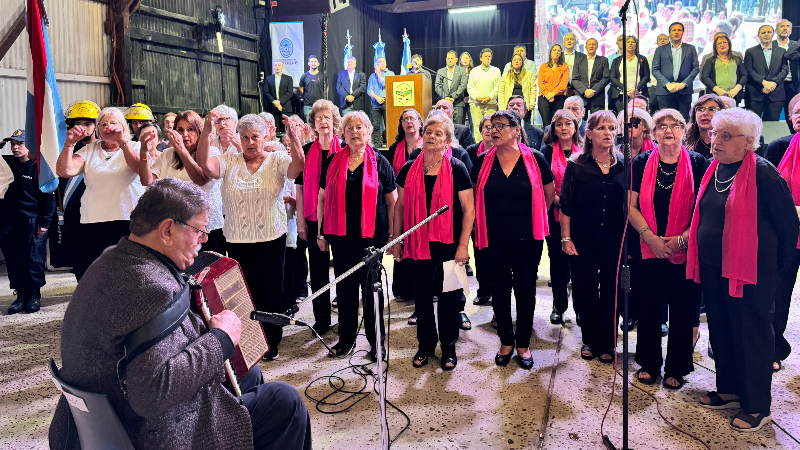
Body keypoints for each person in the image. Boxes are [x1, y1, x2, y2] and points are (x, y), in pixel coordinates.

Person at [47, 178, 312, 450]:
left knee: (247, 373)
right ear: (167, 230)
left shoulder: (110, 260)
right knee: (285, 400)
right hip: (144, 432)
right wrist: (220, 338)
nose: (205, 239)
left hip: (100, 419)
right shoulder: (152, 287)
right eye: (199, 230)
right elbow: (152, 393)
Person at [690, 108, 798, 432]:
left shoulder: (763, 173)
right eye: (714, 134)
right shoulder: (715, 168)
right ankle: (729, 389)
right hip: (715, 267)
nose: (715, 141)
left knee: (751, 333)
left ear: (749, 142)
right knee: (721, 328)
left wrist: (771, 270)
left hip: (750, 271)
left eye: (725, 136)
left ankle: (755, 405)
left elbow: (789, 227)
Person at [197, 113, 305, 360]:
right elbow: (207, 166)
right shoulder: (229, 161)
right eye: (244, 137)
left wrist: (295, 139)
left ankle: (271, 342)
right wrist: (206, 132)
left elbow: (297, 169)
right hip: (236, 239)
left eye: (255, 136)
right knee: (242, 294)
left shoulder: (277, 158)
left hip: (270, 238)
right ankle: (245, 340)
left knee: (270, 292)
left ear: (264, 135)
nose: (250, 142)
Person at [628, 109, 707, 389]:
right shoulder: (640, 162)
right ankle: (649, 363)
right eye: (662, 126)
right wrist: (650, 237)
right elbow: (630, 206)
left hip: (685, 249)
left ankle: (677, 366)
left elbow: (703, 210)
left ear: (684, 130)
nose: (668, 130)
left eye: (675, 125)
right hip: (648, 248)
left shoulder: (699, 163)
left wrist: (681, 240)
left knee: (684, 310)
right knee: (648, 307)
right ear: (654, 133)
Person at [471, 110, 555, 370]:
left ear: (516, 130)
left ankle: (523, 343)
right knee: (499, 289)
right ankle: (505, 340)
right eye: (490, 126)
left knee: (526, 289)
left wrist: (535, 220)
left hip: (527, 238)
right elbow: (474, 196)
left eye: (500, 125)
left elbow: (549, 196)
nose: (493, 130)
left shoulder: (536, 159)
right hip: (493, 237)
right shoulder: (482, 161)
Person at [391, 113, 475, 370]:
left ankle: (448, 347)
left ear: (448, 141)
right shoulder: (408, 168)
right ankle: (425, 345)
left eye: (439, 134)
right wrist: (396, 239)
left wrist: (463, 245)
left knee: (449, 297)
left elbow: (469, 209)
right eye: (428, 132)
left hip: (449, 245)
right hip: (418, 244)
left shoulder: (458, 169)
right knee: (423, 298)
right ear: (421, 135)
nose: (431, 137)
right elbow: (399, 207)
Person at [317, 111, 397, 360]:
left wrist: (394, 235)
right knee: (345, 291)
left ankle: (377, 343)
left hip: (372, 239)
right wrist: (320, 233)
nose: (354, 132)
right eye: (349, 128)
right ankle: (346, 339)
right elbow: (321, 198)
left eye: (359, 127)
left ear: (369, 131)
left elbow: (392, 201)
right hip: (340, 239)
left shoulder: (380, 162)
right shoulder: (333, 161)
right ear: (342, 133)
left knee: (372, 293)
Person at [560, 111, 625, 364]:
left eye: (611, 128)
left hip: (614, 240)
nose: (608, 133)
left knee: (612, 290)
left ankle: (608, 342)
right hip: (583, 238)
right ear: (589, 133)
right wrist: (566, 238)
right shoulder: (577, 165)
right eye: (601, 128)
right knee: (585, 289)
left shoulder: (624, 165)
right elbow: (566, 205)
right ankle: (589, 339)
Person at [56, 107, 145, 274]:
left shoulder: (135, 146)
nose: (107, 127)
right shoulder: (89, 150)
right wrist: (69, 144)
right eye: (103, 124)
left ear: (123, 127)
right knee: (102, 270)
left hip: (129, 218)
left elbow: (138, 168)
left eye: (113, 123)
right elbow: (64, 171)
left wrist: (122, 142)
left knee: (129, 269)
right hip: (95, 220)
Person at [138, 110, 226, 254]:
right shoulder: (168, 154)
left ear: (199, 131)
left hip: (206, 228)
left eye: (190, 129)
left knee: (206, 272)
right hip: (177, 226)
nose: (185, 134)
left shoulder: (212, 153)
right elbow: (147, 181)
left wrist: (180, 149)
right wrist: (143, 151)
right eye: (180, 130)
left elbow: (201, 181)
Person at [296, 100, 343, 334]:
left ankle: (346, 317)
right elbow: (300, 188)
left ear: (334, 122)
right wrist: (301, 221)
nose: (323, 121)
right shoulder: (306, 151)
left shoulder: (345, 149)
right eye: (318, 118)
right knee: (318, 271)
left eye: (327, 117)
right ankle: (322, 319)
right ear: (313, 123)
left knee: (344, 269)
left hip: (340, 220)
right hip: (314, 219)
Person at [1, 130, 55, 314]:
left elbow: (49, 199)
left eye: (20, 144)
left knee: (33, 259)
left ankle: (33, 294)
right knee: (14, 259)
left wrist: (45, 222)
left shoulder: (39, 168)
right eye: (13, 144)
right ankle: (21, 294)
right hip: (9, 222)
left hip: (31, 221)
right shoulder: (8, 166)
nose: (15, 148)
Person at [765, 93, 800, 372]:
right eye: (796, 112)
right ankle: (773, 347)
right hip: (786, 236)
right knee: (779, 292)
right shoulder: (778, 147)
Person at [540, 110, 582, 325]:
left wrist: (573, 206)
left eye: (568, 124)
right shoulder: (546, 151)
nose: (564, 128)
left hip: (580, 217)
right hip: (554, 213)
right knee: (557, 263)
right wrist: (560, 201)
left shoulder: (585, 150)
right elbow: (543, 183)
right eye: (559, 124)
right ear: (553, 128)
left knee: (579, 265)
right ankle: (559, 305)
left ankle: (581, 308)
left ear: (576, 127)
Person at [387, 108, 423, 311]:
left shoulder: (427, 145)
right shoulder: (394, 148)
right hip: (400, 200)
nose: (408, 122)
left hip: (422, 203)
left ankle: (423, 290)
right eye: (405, 119)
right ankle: (404, 289)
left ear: (420, 123)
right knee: (401, 240)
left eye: (412, 118)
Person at [60, 100, 100, 281]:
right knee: (79, 261)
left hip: (98, 216)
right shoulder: (65, 150)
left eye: (87, 123)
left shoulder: (104, 149)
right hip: (73, 217)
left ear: (96, 126)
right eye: (78, 124)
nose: (82, 128)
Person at [465, 114, 494, 307]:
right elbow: (469, 183)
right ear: (481, 130)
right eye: (486, 127)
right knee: (481, 253)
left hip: (498, 212)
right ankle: (484, 290)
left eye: (494, 127)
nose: (490, 131)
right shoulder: (472, 151)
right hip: (478, 211)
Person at [652, 22, 700, 120]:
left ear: (683, 33)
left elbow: (695, 68)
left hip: (684, 91)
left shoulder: (690, 48)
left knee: (683, 120)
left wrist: (683, 84)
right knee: (665, 120)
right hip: (665, 91)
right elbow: (655, 69)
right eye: (674, 30)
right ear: (669, 33)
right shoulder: (660, 50)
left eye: (679, 30)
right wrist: (667, 84)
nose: (676, 32)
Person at [744, 25, 789, 121]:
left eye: (769, 32)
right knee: (752, 125)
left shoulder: (782, 51)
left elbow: (785, 70)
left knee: (773, 126)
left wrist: (773, 84)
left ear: (773, 34)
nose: (766, 35)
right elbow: (749, 70)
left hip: (776, 95)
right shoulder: (750, 51)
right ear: (758, 35)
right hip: (755, 95)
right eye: (763, 33)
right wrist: (764, 83)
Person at [467, 48, 502, 143]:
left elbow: (498, 87)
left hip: (491, 104)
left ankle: (490, 148)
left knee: (490, 127)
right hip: (476, 104)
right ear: (481, 58)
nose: (488, 58)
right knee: (478, 127)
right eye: (485, 56)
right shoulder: (474, 71)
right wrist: (477, 97)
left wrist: (489, 97)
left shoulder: (496, 71)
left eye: (489, 56)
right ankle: (479, 148)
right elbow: (469, 87)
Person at [700, 34, 746, 106]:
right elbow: (704, 77)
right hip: (716, 96)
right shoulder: (710, 60)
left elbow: (744, 75)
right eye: (719, 43)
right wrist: (718, 90)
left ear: (729, 44)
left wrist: (736, 90)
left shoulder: (737, 59)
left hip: (733, 95)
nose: (722, 45)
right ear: (715, 46)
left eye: (725, 42)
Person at [610, 36, 650, 112]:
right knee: (622, 117)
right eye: (628, 42)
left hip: (638, 93)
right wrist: (625, 89)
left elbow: (646, 76)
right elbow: (612, 77)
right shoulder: (617, 60)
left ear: (636, 44)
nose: (630, 44)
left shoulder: (642, 59)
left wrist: (636, 89)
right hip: (621, 94)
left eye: (633, 42)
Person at [572, 38, 610, 114]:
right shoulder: (578, 61)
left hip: (597, 97)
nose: (591, 46)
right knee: (580, 123)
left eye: (594, 44)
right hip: (582, 97)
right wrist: (585, 90)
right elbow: (575, 79)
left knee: (597, 123)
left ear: (597, 46)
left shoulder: (604, 60)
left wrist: (593, 90)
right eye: (589, 44)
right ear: (586, 47)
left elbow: (606, 78)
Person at [685, 94, 727, 158]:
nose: (705, 113)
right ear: (694, 114)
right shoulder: (684, 140)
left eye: (712, 109)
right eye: (700, 109)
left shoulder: (729, 140)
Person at [538, 45, 570, 126]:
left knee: (557, 123)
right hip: (544, 98)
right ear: (550, 52)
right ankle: (546, 139)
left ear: (561, 53)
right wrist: (548, 94)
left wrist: (553, 93)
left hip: (559, 98)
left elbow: (563, 84)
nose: (556, 52)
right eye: (554, 50)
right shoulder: (543, 67)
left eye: (559, 51)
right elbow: (540, 83)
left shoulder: (564, 66)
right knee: (546, 124)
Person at [776, 20, 799, 130]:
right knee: (772, 117)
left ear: (791, 31)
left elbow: (790, 55)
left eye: (787, 26)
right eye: (782, 26)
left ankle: (794, 141)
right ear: (776, 30)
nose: (785, 28)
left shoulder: (796, 45)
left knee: (792, 116)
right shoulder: (771, 45)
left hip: (793, 85)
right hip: (776, 85)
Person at [368, 56, 396, 148]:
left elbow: (384, 83)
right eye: (379, 62)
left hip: (387, 102)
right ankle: (376, 146)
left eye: (383, 62)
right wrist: (377, 97)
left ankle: (390, 144)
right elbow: (369, 90)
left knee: (389, 124)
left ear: (386, 63)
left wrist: (378, 73)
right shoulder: (372, 76)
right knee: (376, 125)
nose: (382, 63)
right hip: (375, 103)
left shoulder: (390, 73)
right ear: (377, 64)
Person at [436, 50, 469, 125]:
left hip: (458, 103)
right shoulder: (440, 71)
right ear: (446, 59)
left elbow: (463, 85)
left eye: (452, 58)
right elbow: (437, 86)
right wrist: (446, 98)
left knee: (459, 128)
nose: (450, 60)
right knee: (444, 126)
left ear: (456, 60)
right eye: (448, 58)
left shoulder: (462, 70)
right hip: (444, 105)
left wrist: (453, 97)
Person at [265, 61, 295, 133]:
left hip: (285, 108)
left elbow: (290, 93)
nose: (277, 67)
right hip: (273, 109)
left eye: (279, 65)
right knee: (274, 131)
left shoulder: (288, 79)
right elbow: (266, 92)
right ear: (273, 67)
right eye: (275, 65)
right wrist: (275, 103)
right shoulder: (268, 79)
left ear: (282, 67)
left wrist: (279, 102)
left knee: (286, 131)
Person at [647, 34, 670, 111]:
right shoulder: (650, 58)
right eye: (660, 39)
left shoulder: (674, 56)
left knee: (666, 111)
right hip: (654, 87)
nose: (662, 40)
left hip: (668, 88)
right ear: (656, 42)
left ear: (669, 41)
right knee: (652, 110)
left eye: (665, 39)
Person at [299, 55, 324, 121]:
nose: (313, 63)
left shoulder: (322, 76)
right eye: (312, 61)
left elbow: (326, 88)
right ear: (308, 63)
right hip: (308, 105)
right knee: (308, 128)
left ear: (318, 64)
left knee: (319, 126)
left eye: (315, 61)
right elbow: (301, 88)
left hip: (319, 105)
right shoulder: (304, 76)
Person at [562, 34, 585, 98]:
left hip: (578, 91)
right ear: (563, 43)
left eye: (572, 39)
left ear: (575, 42)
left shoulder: (582, 57)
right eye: (567, 39)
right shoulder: (558, 57)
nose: (569, 41)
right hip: (562, 91)